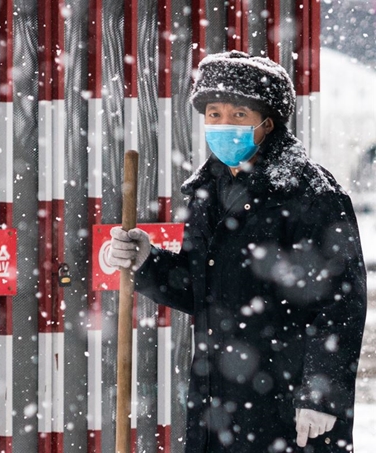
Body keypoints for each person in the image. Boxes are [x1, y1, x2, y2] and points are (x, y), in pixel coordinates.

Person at [110, 51, 367, 452]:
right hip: (219, 398)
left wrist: (320, 396)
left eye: (238, 115)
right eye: (214, 114)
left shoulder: (311, 194)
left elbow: (341, 303)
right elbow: (202, 288)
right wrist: (148, 262)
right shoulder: (206, 191)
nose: (223, 125)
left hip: (287, 404)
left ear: (267, 124)